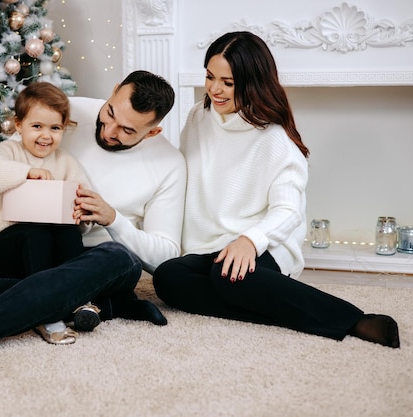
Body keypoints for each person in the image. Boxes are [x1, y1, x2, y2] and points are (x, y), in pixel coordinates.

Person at [0, 71, 187, 372]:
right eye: (109, 113)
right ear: (114, 90)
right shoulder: (60, 110)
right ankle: (104, 304)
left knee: (121, 258)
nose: (109, 130)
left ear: (152, 133)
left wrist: (113, 219)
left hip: (90, 261)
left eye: (127, 131)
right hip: (22, 251)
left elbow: (165, 258)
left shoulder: (169, 165)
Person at [152, 31, 400, 349]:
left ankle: (353, 320)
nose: (214, 89)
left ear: (252, 81)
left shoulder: (276, 138)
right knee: (168, 278)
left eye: (227, 82)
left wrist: (249, 241)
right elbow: (184, 170)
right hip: (208, 247)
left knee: (228, 278)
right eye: (210, 77)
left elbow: (289, 211)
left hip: (264, 245)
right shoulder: (199, 117)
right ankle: (281, 312)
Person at [0, 82, 94, 345]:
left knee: (67, 231)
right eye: (36, 126)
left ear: (63, 129)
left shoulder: (66, 162)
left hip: (49, 249)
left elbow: (84, 199)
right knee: (35, 231)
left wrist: (82, 213)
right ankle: (47, 316)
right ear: (19, 125)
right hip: (5, 242)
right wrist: (26, 173)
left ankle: (79, 301)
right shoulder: (8, 151)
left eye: (55, 128)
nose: (45, 136)